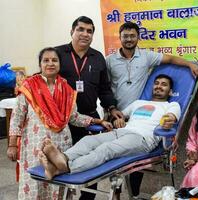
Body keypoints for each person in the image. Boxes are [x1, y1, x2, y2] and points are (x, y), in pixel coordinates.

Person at [106, 21, 198, 198]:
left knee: (131, 160)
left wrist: (190, 65)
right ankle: (118, 193)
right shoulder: (110, 61)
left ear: (138, 37)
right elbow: (104, 87)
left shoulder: (146, 56)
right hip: (118, 113)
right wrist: (112, 112)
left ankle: (133, 194)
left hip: (142, 122)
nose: (128, 39)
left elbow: (172, 59)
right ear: (119, 38)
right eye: (125, 36)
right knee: (113, 160)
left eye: (132, 35)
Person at [6, 47, 112, 200]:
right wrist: (12, 144)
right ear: (40, 64)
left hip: (61, 145)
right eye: (46, 60)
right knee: (35, 183)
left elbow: (74, 117)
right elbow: (17, 117)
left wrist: (97, 120)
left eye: (54, 60)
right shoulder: (29, 86)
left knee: (58, 184)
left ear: (59, 64)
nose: (50, 63)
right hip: (34, 147)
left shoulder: (66, 89)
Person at [39, 74, 181, 182]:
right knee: (88, 140)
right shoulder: (138, 102)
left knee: (106, 149)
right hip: (120, 132)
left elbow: (171, 117)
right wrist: (117, 120)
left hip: (142, 139)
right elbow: (119, 116)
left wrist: (168, 121)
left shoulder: (171, 105)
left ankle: (68, 167)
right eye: (156, 83)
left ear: (170, 91)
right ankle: (61, 160)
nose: (159, 86)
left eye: (164, 85)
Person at [56, 16, 122, 199]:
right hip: (62, 123)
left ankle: (87, 197)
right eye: (81, 29)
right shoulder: (58, 54)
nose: (85, 34)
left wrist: (111, 107)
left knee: (91, 165)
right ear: (72, 31)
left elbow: (104, 88)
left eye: (89, 31)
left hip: (90, 121)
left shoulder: (98, 57)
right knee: (62, 162)